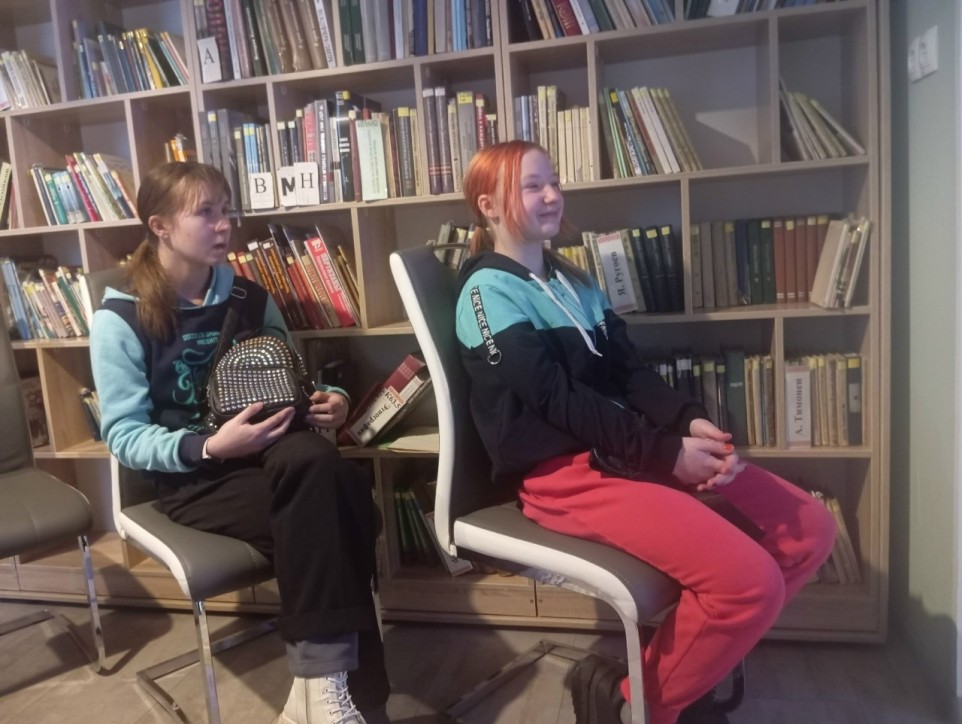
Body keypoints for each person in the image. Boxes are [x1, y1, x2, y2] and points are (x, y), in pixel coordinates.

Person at [454, 140, 837, 724]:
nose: (553, 195)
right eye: (532, 186)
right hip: (566, 475)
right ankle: (637, 705)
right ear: (488, 206)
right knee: (749, 584)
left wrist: (687, 421)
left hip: (630, 453)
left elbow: (630, 373)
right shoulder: (487, 293)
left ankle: (673, 675)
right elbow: (557, 401)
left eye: (554, 181)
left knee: (809, 527)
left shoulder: (574, 281)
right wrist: (666, 454)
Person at [90, 161, 388, 724]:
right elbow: (124, 436)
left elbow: (289, 377)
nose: (224, 225)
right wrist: (210, 446)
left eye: (226, 211)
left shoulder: (249, 298)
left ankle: (320, 692)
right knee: (343, 503)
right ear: (159, 226)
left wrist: (329, 399)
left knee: (318, 465)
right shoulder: (121, 317)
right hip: (193, 475)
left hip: (275, 456)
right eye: (205, 213)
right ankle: (350, 701)